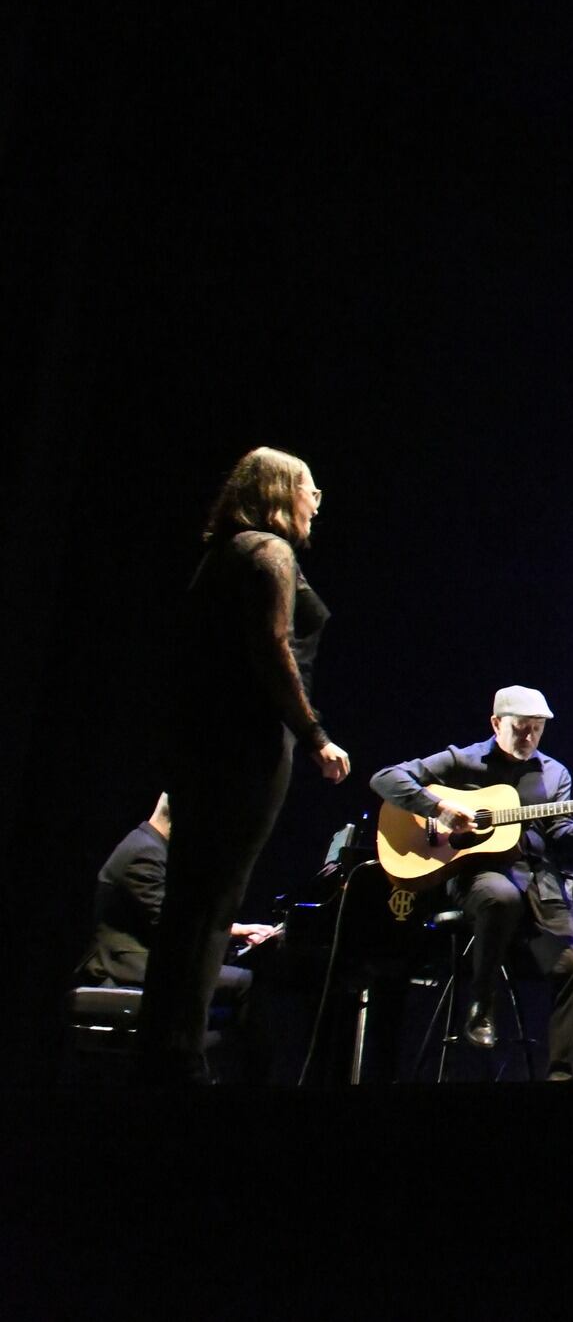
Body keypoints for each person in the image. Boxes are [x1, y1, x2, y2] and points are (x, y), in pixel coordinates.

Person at [137, 448, 351, 1084]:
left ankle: (162, 1051)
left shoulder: (223, 555)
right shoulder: (270, 553)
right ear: (283, 492)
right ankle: (179, 1060)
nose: (317, 504)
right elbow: (272, 646)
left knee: (192, 899)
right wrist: (313, 735)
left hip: (204, 740)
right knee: (213, 900)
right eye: (311, 490)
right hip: (247, 744)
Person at [370, 685, 573, 1079]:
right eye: (521, 727)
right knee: (501, 897)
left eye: (537, 728)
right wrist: (438, 807)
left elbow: (562, 841)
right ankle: (481, 1004)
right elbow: (385, 778)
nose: (529, 737)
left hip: (537, 881)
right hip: (478, 876)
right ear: (496, 723)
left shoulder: (554, 774)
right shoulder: (464, 760)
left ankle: (562, 1077)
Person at [80, 794, 277, 1078]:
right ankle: (223, 1074)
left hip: (143, 955)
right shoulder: (144, 853)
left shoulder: (149, 845)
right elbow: (171, 924)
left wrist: (233, 931)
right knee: (245, 983)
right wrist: (235, 930)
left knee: (227, 992)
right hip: (125, 965)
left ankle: (196, 1063)